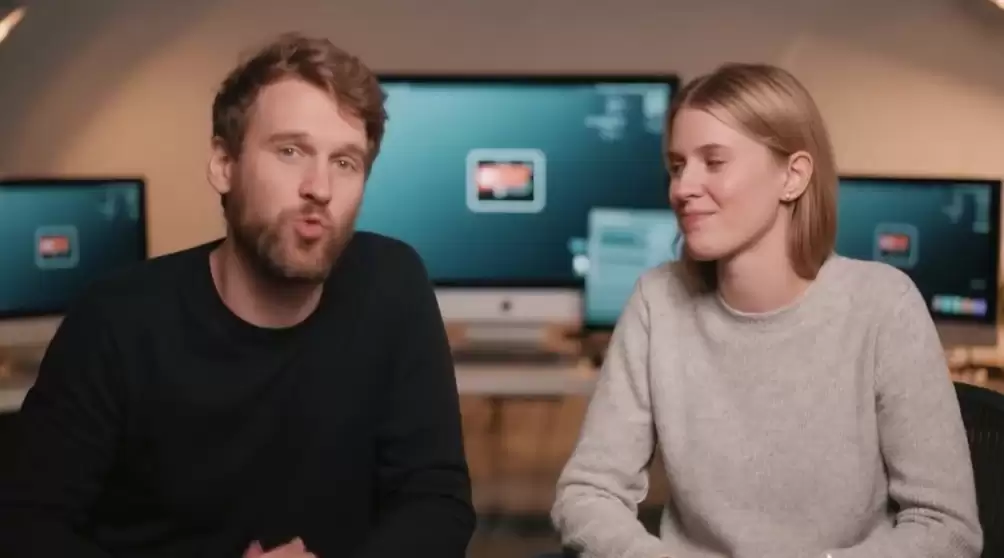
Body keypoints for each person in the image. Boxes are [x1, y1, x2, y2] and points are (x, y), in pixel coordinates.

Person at [0, 32, 475, 558]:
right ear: (224, 165)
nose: (319, 188)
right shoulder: (116, 322)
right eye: (290, 151)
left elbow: (436, 502)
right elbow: (26, 530)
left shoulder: (392, 283)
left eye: (345, 162)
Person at [551, 63, 982, 558]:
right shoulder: (657, 302)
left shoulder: (884, 305)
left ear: (793, 177)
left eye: (714, 162)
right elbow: (588, 495)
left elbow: (946, 527)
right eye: (677, 166)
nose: (682, 188)